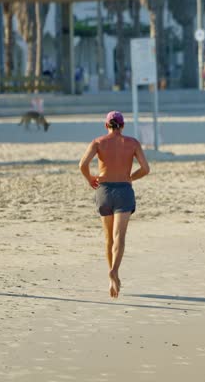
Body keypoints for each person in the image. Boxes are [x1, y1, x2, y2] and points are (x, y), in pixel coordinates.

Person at [79, 111, 150, 298]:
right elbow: (146, 169)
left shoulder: (98, 142)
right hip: (124, 191)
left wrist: (89, 179)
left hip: (103, 191)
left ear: (106, 126)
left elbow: (82, 165)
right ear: (123, 126)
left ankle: (111, 277)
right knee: (119, 237)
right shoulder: (132, 143)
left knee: (108, 238)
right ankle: (115, 271)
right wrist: (130, 177)